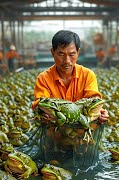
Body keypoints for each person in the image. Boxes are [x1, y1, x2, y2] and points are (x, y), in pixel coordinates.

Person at [32, 30, 109, 166]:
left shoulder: (87, 75)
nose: (67, 60)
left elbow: (94, 101)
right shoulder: (44, 78)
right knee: (53, 164)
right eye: (61, 54)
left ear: (78, 52)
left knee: (84, 165)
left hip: (82, 135)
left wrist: (101, 113)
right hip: (55, 137)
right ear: (52, 52)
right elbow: (40, 104)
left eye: (72, 54)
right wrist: (42, 114)